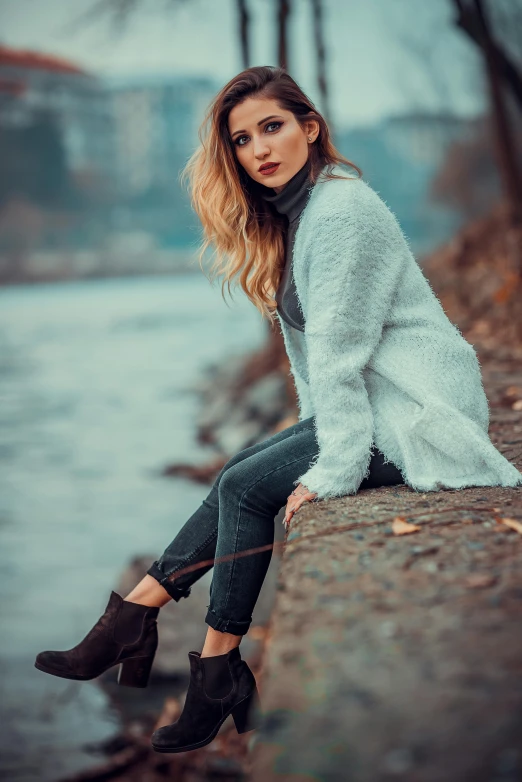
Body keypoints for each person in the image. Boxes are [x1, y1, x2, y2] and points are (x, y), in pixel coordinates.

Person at [34, 65, 522, 754]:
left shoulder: (342, 212)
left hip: (420, 412)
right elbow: (317, 369)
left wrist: (333, 471)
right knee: (241, 466)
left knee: (244, 483)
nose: (259, 149)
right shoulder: (300, 214)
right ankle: (165, 636)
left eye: (273, 127)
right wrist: (311, 437)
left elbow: (342, 355)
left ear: (309, 128)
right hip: (380, 400)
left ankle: (193, 657)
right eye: (242, 139)